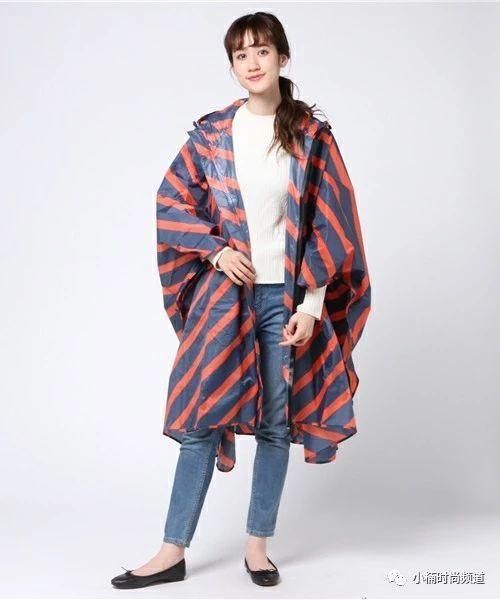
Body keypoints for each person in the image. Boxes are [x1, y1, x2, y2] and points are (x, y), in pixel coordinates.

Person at [111, 10, 371, 590]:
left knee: (276, 424)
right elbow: (171, 203)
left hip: (284, 297)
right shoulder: (212, 135)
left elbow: (331, 225)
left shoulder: (311, 137)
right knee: (201, 419)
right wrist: (214, 251)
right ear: (232, 65)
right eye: (240, 54)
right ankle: (171, 551)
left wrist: (311, 306)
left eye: (262, 51)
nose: (252, 63)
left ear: (282, 57)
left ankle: (257, 548)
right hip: (225, 297)